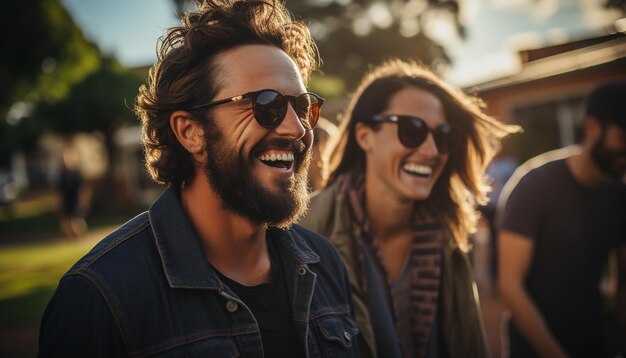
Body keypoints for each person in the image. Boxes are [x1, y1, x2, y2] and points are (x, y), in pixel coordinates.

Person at [39, 1, 358, 356]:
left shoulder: (324, 263)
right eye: (266, 104)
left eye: (302, 107)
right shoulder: (100, 298)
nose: (297, 128)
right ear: (190, 132)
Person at [301, 59, 519, 358]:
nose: (431, 151)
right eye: (411, 129)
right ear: (365, 136)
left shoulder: (451, 233)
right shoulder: (304, 232)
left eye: (443, 136)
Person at [498, 81, 626, 358]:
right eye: (624, 137)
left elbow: (622, 284)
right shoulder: (534, 185)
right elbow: (509, 285)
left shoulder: (619, 197)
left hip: (594, 344)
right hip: (532, 350)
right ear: (592, 128)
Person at [57, 146, 90, 239]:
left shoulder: (77, 174)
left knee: (76, 222)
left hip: (76, 200)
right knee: (66, 223)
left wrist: (83, 201)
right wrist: (59, 203)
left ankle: (82, 238)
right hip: (67, 201)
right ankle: (73, 241)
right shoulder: (62, 175)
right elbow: (60, 192)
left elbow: (83, 189)